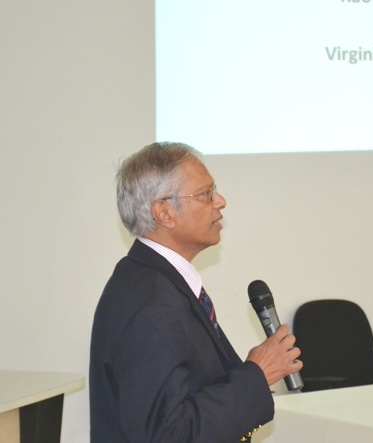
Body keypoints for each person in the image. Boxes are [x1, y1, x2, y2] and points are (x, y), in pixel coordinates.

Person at [90, 142, 303, 442]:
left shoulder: (154, 281)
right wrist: (257, 375)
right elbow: (167, 434)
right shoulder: (152, 304)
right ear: (164, 212)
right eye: (206, 194)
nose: (221, 201)